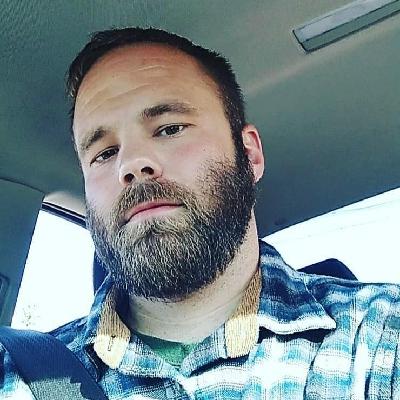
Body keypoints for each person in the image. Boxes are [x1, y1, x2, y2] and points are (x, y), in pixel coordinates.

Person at [1, 27, 400, 399]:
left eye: (169, 128)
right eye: (104, 153)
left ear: (249, 154)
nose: (131, 164)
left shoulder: (380, 337)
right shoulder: (21, 378)